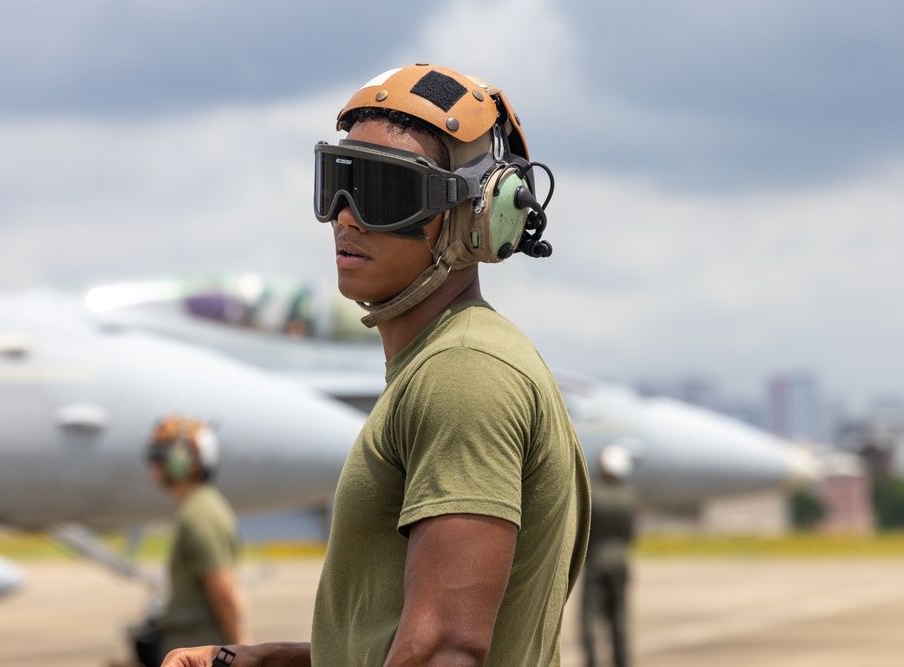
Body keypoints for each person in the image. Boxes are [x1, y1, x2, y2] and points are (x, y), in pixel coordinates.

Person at [162, 63, 591, 667]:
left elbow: (445, 650)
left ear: (479, 215)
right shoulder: (439, 364)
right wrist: (266, 661)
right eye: (340, 181)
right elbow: (403, 641)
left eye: (383, 191)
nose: (346, 214)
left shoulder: (465, 372)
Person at [144, 416, 250, 665]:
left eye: (157, 456)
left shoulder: (199, 512)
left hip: (201, 647)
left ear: (180, 462)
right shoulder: (197, 506)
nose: (153, 464)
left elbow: (221, 586)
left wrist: (241, 647)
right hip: (196, 645)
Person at [580, 444, 637, 667]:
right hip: (621, 561)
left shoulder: (594, 496)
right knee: (619, 617)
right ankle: (621, 661)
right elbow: (630, 534)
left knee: (590, 618)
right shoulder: (629, 498)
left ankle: (592, 661)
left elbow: (585, 533)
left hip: (595, 562)